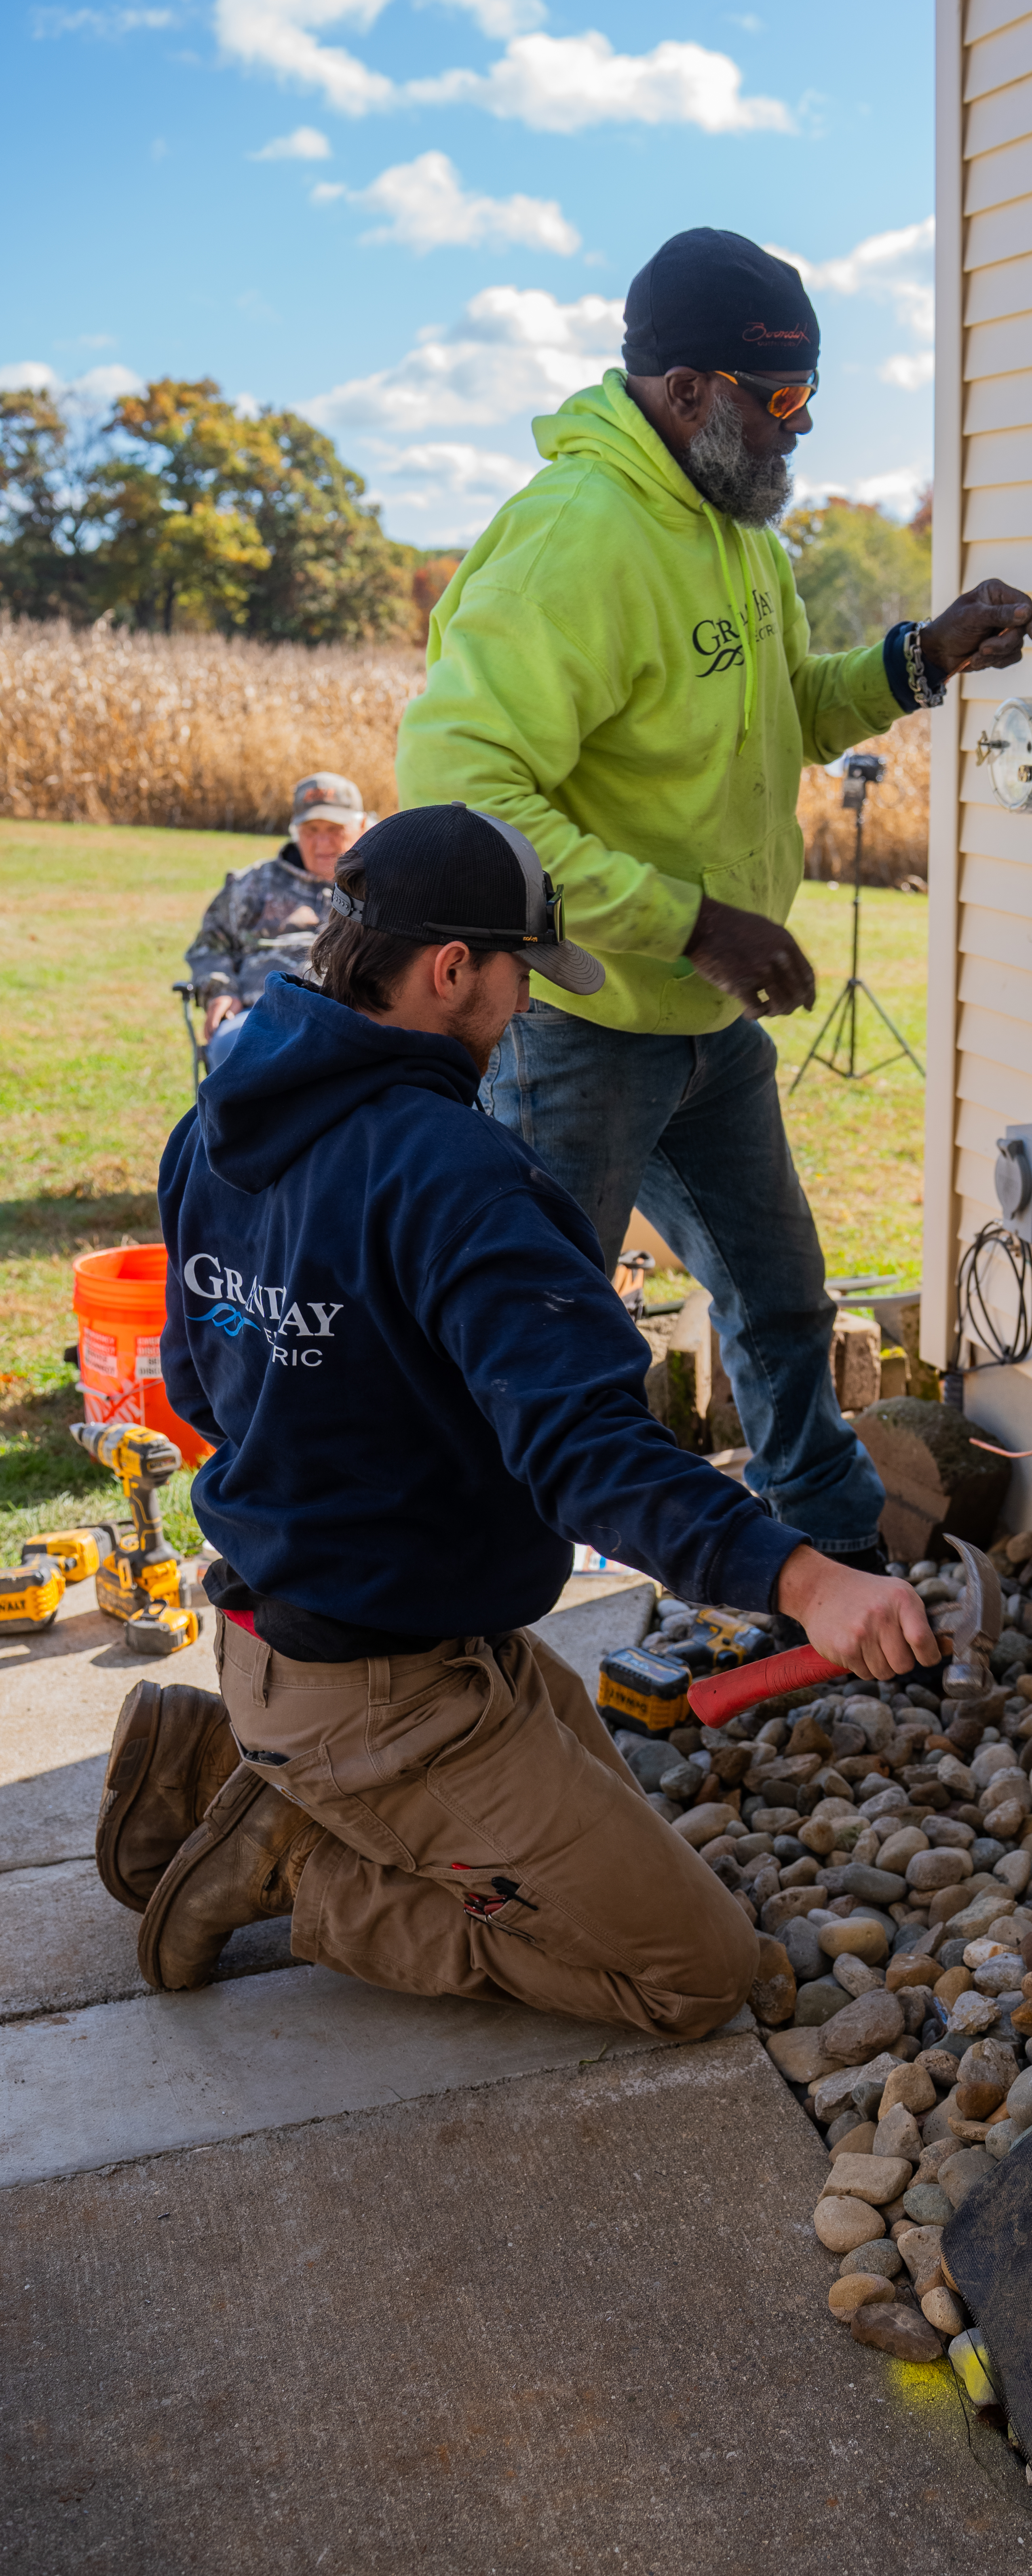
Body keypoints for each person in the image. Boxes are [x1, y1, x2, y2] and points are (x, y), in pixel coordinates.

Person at [117, 804, 938, 2031]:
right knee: (698, 1972)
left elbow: (197, 1383)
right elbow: (586, 1451)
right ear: (452, 970)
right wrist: (808, 1579)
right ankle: (301, 1861)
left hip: (330, 1629)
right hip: (380, 1689)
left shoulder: (215, 1121)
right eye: (521, 975)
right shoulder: (457, 1175)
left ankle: (222, 1756)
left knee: (612, 1851)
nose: (527, 1007)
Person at [396, 226, 1032, 1568]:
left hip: (704, 1023)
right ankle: (468, 1583)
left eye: (812, 396)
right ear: (692, 391)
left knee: (783, 1302)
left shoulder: (733, 525)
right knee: (544, 1326)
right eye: (784, 400)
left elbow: (781, 708)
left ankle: (834, 1563)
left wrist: (916, 659)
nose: (803, 431)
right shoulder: (579, 536)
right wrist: (691, 919)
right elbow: (459, 790)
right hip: (581, 1031)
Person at [184, 773, 368, 1067]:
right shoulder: (253, 884)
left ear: (362, 827)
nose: (323, 842)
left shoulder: (380, 887)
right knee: (234, 1047)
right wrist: (221, 990)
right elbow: (210, 946)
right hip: (260, 1017)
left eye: (335, 828)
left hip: (353, 1017)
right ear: (295, 831)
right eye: (311, 829)